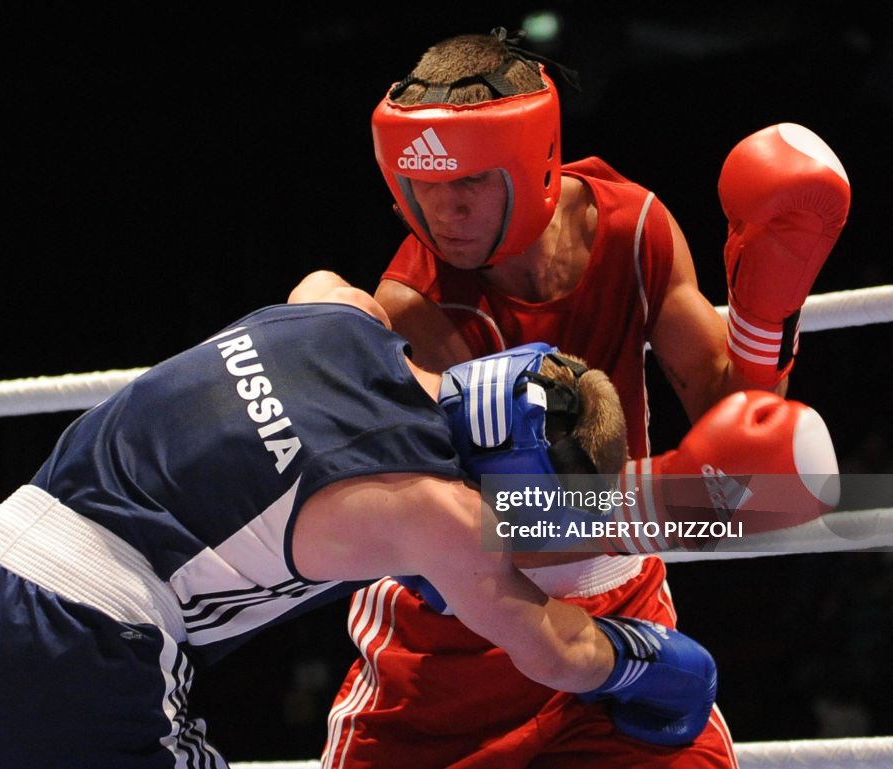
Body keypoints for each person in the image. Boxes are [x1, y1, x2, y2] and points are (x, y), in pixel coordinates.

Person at [0, 270, 722, 768]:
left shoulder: (329, 314)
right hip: (81, 652)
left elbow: (332, 285)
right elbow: (558, 652)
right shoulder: (442, 512)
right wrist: (654, 661)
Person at [324, 28, 850, 769]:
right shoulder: (417, 305)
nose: (443, 212)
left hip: (618, 618)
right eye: (422, 185)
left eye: (468, 181)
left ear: (532, 160)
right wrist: (671, 494)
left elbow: (734, 419)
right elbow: (484, 532)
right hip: (454, 652)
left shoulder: (634, 229)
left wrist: (766, 314)